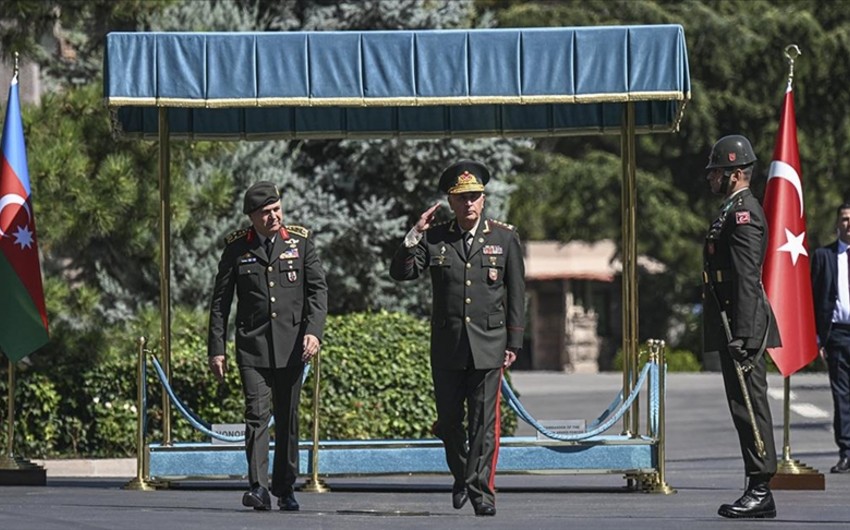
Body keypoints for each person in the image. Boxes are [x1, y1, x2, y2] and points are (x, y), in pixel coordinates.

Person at [389, 160, 525, 517]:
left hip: (489, 344)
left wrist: (514, 342)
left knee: (484, 423)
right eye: (462, 197)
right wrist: (415, 233)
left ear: (483, 199)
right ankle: (463, 474)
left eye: (475, 197)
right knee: (449, 422)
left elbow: (516, 292)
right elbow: (402, 273)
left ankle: (482, 492)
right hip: (448, 346)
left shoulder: (504, 237)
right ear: (451, 201)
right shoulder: (436, 238)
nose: (469, 204)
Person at [207, 181, 328, 512]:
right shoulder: (236, 249)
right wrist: (216, 349)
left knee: (288, 420)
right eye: (266, 213)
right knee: (257, 417)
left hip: (292, 347)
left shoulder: (300, 244)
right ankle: (258, 487)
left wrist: (314, 332)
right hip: (253, 348)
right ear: (252, 217)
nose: (274, 217)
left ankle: (285, 487)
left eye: (277, 209)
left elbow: (318, 292)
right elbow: (220, 303)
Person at [702, 135, 781, 519]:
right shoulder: (731, 209)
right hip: (732, 322)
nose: (711, 177)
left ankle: (761, 486)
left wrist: (746, 336)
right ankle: (756, 484)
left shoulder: (744, 213)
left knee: (750, 406)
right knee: (741, 407)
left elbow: (747, 278)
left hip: (742, 326)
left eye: (716, 171)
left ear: (735, 173)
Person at [811, 202, 850, 474]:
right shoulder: (824, 256)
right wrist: (817, 338)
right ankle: (847, 451)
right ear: (838, 223)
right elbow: (813, 298)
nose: (849, 224)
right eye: (845, 219)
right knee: (842, 396)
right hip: (836, 334)